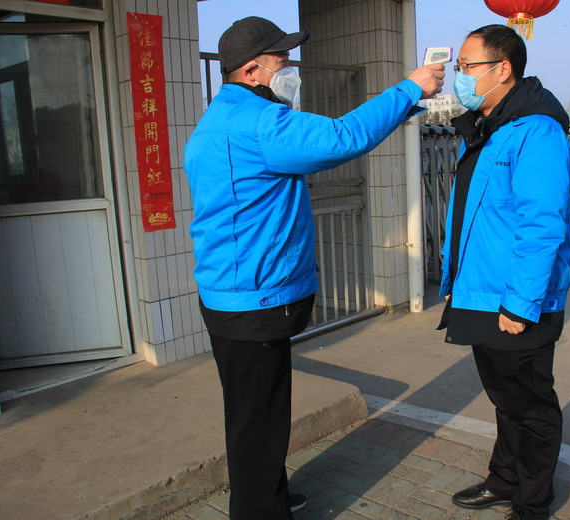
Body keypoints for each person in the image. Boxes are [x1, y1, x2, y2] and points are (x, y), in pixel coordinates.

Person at [183, 16, 444, 520]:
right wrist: (410, 87)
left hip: (234, 292)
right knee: (258, 420)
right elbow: (344, 137)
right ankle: (259, 511)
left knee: (256, 413)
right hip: (254, 298)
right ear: (252, 70)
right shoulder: (259, 122)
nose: (290, 69)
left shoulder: (217, 119)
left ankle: (268, 497)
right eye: (281, 60)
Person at [437, 25, 570, 520]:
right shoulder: (489, 126)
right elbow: (473, 213)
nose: (461, 76)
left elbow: (542, 224)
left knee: (531, 406)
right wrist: (454, 281)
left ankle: (532, 503)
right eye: (459, 67)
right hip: (480, 290)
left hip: (516, 299)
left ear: (502, 69)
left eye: (467, 66)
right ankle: (505, 479)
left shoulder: (537, 131)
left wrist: (520, 304)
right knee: (504, 398)